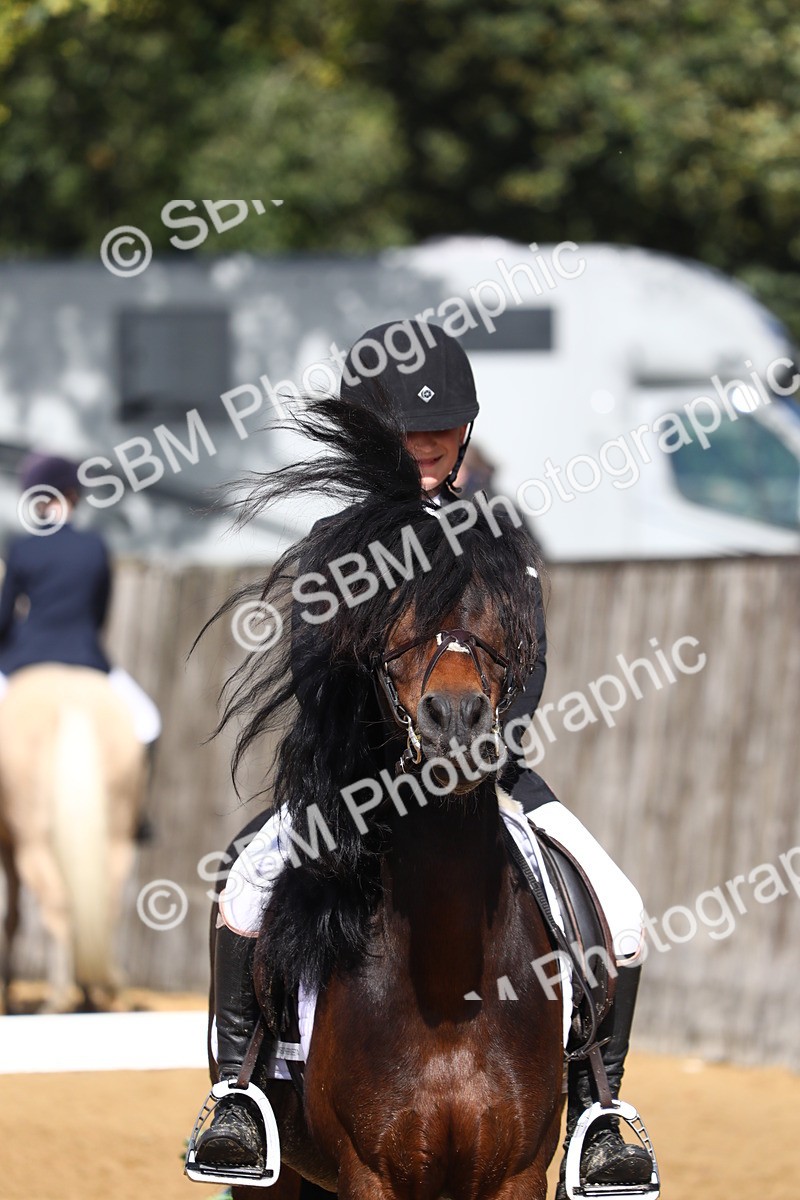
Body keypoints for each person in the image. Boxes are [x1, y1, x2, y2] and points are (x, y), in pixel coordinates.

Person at [191, 322, 653, 1193]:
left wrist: (487, 741)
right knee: (246, 888)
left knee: (621, 910)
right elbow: (311, 669)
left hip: (489, 772)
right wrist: (385, 748)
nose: (429, 443)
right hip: (360, 780)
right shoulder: (339, 540)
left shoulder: (501, 536)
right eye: (410, 429)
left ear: (466, 430)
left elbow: (529, 661)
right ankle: (238, 1097)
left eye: (443, 427)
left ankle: (600, 1112)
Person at [0, 453, 161, 749]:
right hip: (85, 656)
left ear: (36, 500)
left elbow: (3, 620)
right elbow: (99, 615)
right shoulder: (95, 546)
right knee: (148, 724)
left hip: (25, 656)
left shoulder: (22, 548)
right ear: (73, 495)